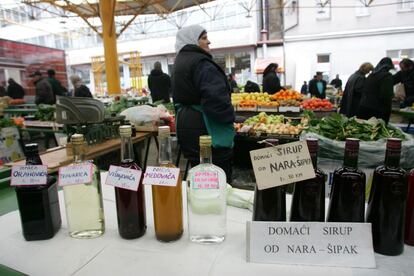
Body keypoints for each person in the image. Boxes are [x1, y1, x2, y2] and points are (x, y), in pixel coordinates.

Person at [172, 25, 235, 183]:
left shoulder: (179, 62)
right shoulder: (202, 63)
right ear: (193, 40)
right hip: (207, 131)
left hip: (187, 128)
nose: (209, 42)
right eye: (204, 38)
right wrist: (230, 118)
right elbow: (217, 99)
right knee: (219, 179)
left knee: (200, 178)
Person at [357, 57, 394, 124]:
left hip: (363, 107)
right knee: (377, 132)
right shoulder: (386, 76)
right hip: (377, 111)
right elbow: (386, 95)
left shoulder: (371, 75)